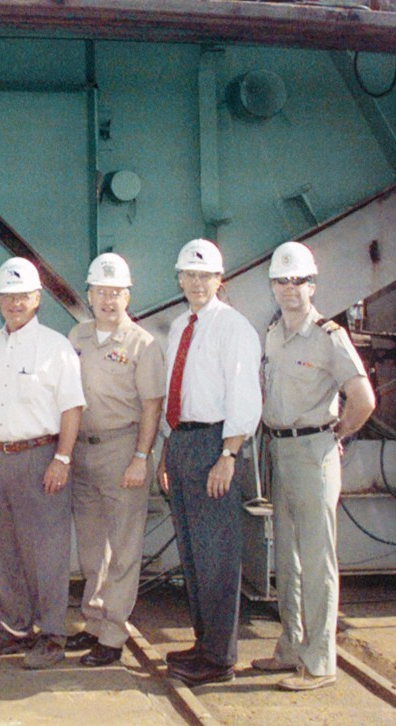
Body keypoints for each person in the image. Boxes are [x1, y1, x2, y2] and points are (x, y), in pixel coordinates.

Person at [251, 241, 374, 691]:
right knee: (287, 557)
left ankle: (320, 661)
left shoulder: (328, 336)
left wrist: (336, 435)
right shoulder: (273, 332)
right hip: (279, 451)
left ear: (312, 284)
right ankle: (291, 646)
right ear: (272, 286)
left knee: (317, 560)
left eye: (297, 281)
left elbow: (363, 399)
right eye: (281, 281)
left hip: (313, 450)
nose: (288, 289)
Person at [158, 238, 262, 687]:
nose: (196, 283)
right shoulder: (182, 324)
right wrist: (167, 447)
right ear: (179, 280)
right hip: (182, 443)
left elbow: (243, 397)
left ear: (220, 280)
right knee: (193, 554)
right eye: (189, 275)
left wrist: (228, 455)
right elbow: (173, 393)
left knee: (217, 555)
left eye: (205, 276)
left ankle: (220, 659)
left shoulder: (234, 328)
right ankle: (204, 643)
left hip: (215, 445)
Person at [0, 256, 85, 670]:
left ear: (37, 299)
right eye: (7, 296)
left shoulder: (55, 347)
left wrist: (62, 458)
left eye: (22, 296)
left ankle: (52, 634)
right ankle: (13, 629)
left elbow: (72, 407)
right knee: (2, 551)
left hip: (41, 457)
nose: (15, 303)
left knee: (47, 551)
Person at [65, 253, 165, 668]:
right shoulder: (78, 337)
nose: (108, 300)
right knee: (91, 547)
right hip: (82, 451)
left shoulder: (143, 344)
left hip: (123, 449)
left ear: (128, 296)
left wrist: (141, 457)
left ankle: (112, 633)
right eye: (101, 292)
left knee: (123, 546)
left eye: (116, 292)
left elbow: (151, 406)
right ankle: (93, 619)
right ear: (89, 295)